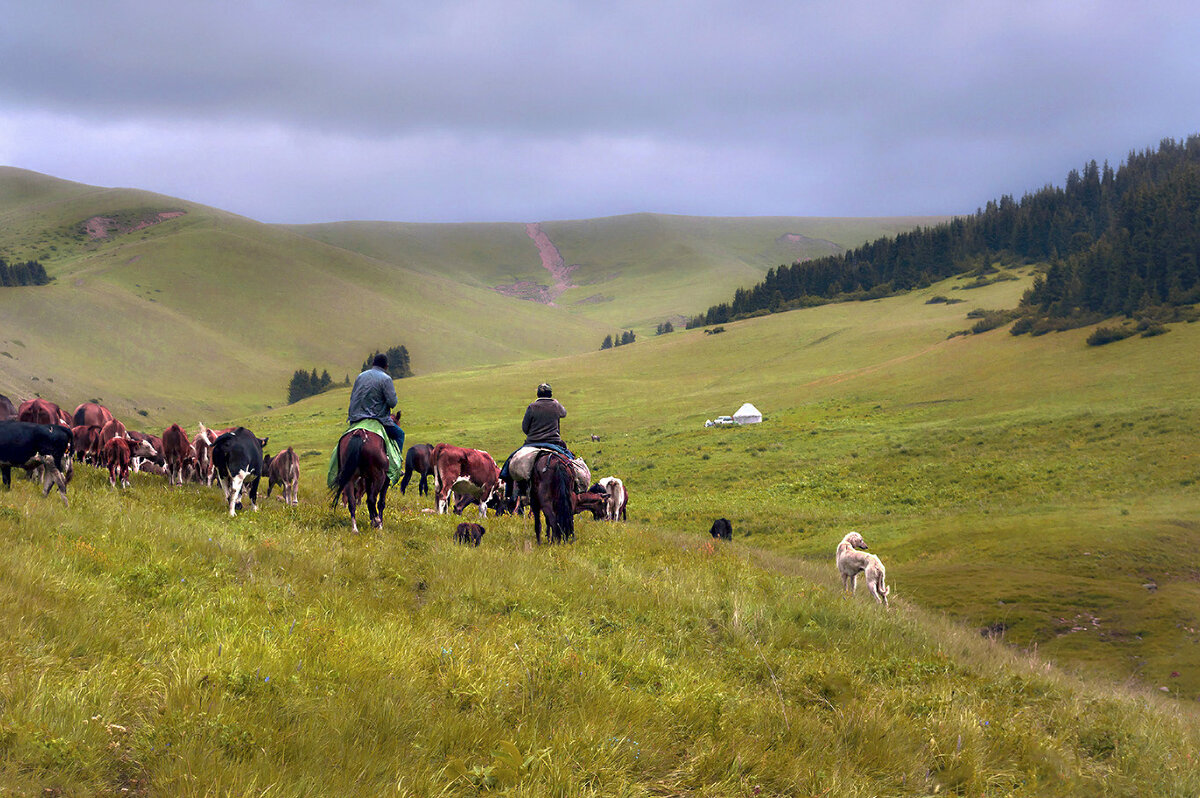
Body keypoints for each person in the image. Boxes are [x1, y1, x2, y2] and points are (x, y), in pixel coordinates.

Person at [347, 353, 405, 452]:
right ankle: (395, 466)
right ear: (386, 366)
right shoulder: (386, 379)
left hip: (355, 419)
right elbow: (392, 403)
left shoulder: (360, 376)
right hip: (378, 419)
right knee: (400, 434)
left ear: (373, 363)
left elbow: (353, 397)